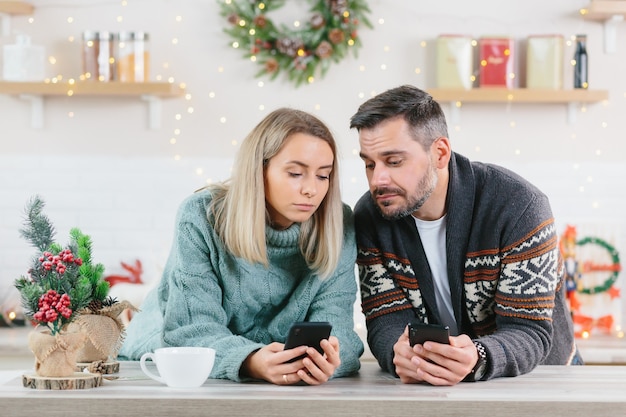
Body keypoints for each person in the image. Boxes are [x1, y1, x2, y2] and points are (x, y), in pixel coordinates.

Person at [349, 85, 581, 386]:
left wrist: (478, 356)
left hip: (540, 384)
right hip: (433, 388)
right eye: (369, 163)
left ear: (440, 153)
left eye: (394, 162)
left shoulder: (518, 206)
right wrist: (398, 354)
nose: (377, 179)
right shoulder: (371, 216)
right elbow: (385, 320)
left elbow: (529, 331)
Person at [119, 108, 364, 385]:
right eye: (296, 173)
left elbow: (340, 329)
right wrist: (251, 360)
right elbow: (190, 332)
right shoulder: (201, 215)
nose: (312, 189)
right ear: (259, 170)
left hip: (278, 375)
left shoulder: (337, 223)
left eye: (323, 176)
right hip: (161, 362)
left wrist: (328, 359)